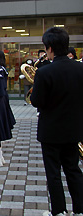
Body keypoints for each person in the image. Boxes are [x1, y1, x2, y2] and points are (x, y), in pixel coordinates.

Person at [30, 27, 83, 216]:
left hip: (51, 130)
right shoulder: (80, 68)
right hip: (75, 128)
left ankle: (59, 211)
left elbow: (37, 101)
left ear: (49, 48)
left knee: (53, 173)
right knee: (73, 169)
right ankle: (80, 209)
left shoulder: (44, 72)